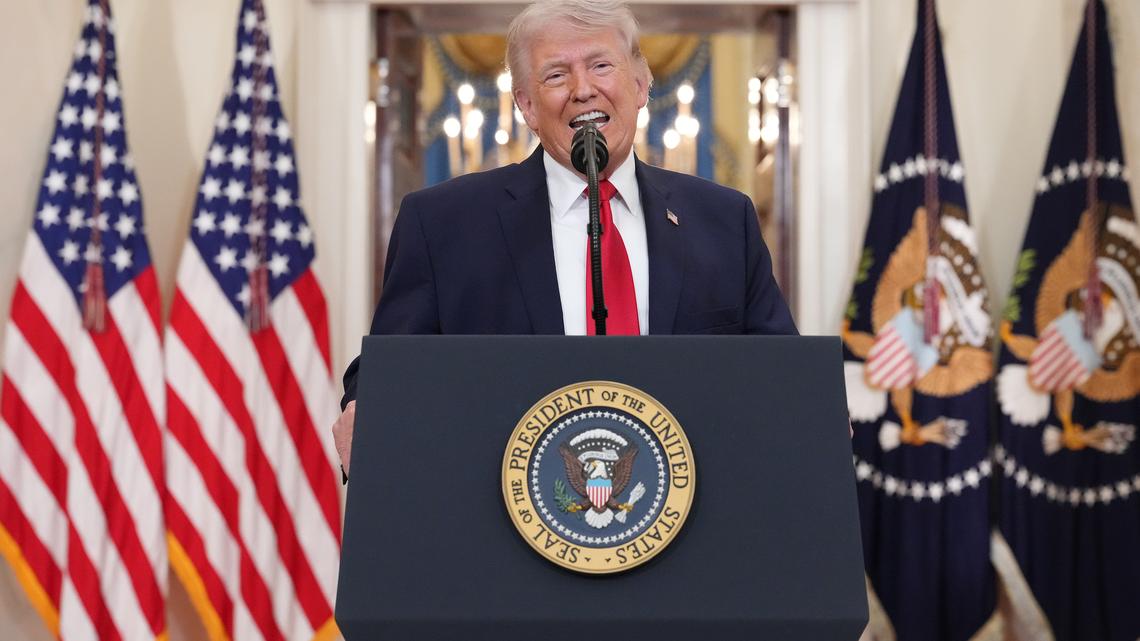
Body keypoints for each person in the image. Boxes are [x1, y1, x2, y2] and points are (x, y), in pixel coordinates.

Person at [332, 0, 797, 476]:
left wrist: (811, 408)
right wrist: (364, 404)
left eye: (601, 66)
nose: (582, 90)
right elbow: (389, 368)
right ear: (527, 106)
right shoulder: (442, 223)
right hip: (505, 518)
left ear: (640, 85)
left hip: (691, 515)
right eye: (555, 75)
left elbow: (780, 370)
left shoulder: (722, 219)